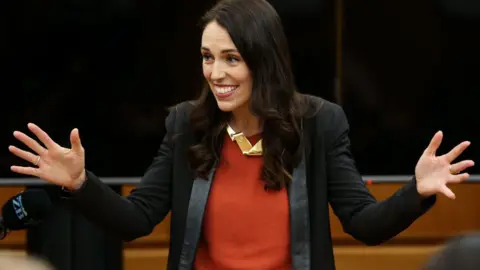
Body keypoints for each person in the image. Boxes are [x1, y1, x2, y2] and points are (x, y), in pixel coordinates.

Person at [7, 0, 474, 269]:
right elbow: (137, 220)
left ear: (263, 61)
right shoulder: (185, 124)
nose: (216, 72)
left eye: (231, 58)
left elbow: (364, 224)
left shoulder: (319, 123)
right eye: (208, 57)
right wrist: (81, 184)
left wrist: (417, 192)